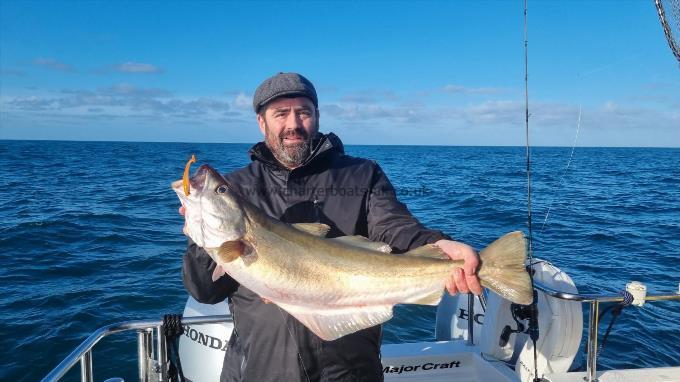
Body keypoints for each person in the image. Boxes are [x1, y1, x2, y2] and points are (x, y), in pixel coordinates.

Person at [181, 72, 482, 382]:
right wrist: (201, 236)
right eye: (281, 114)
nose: (293, 124)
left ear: (317, 117)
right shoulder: (238, 187)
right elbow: (205, 291)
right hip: (261, 369)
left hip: (350, 370)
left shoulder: (361, 174)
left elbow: (394, 227)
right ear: (262, 122)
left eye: (304, 112)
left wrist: (438, 245)